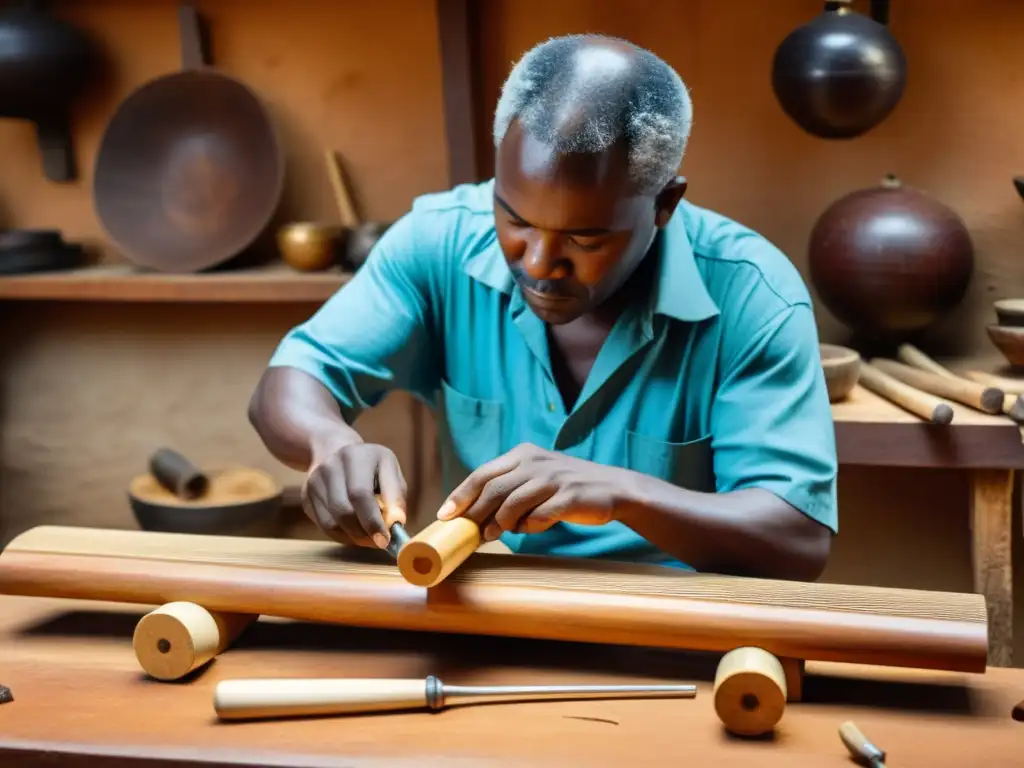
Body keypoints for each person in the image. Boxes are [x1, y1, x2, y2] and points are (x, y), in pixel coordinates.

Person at [249, 34, 837, 581]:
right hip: (483, 613)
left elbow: (796, 540)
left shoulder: (753, 295)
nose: (537, 263)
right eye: (515, 218)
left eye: (585, 239)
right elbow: (292, 379)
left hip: (674, 634)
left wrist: (621, 494)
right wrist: (329, 442)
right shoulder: (439, 242)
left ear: (665, 204)